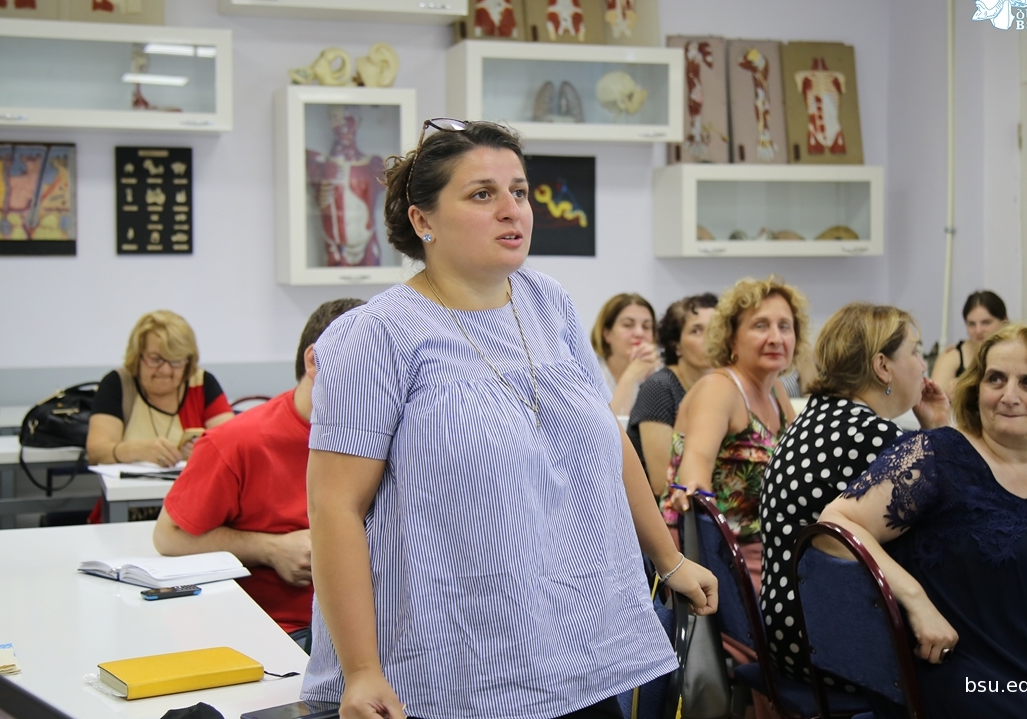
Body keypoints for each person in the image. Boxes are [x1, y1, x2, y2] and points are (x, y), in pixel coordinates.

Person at [301, 119, 718, 719]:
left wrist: (668, 559)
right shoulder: (376, 335)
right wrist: (363, 671)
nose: (511, 210)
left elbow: (607, 443)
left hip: (576, 649)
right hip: (450, 664)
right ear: (422, 221)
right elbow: (334, 509)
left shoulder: (549, 304)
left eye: (518, 192)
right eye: (482, 194)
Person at [819, 323, 1027, 717]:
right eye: (995, 379)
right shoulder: (936, 457)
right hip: (976, 674)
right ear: (977, 388)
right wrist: (914, 598)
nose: (1009, 396)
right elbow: (835, 525)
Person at [759, 303, 951, 682]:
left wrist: (935, 430)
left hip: (788, 628)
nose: (923, 366)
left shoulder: (817, 417)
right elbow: (952, 528)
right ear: (883, 367)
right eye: (915, 352)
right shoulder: (876, 437)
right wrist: (942, 434)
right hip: (834, 642)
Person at [151, 298, 362, 641]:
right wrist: (270, 549)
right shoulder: (237, 442)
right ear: (315, 361)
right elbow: (169, 537)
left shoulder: (395, 439)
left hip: (375, 627)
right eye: (369, 366)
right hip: (286, 632)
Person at [663, 275, 807, 586]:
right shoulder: (719, 389)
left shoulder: (777, 391)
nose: (775, 337)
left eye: (785, 326)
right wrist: (692, 487)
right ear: (731, 339)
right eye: (760, 326)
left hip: (770, 550)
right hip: (720, 557)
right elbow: (695, 465)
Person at [86, 310, 234, 468]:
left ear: (189, 361)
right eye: (155, 359)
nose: (165, 370)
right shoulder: (118, 384)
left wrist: (204, 451)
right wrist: (136, 450)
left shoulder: (201, 384)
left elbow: (232, 443)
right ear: (137, 357)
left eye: (176, 361)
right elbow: (96, 452)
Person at [627, 292, 717, 495]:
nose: (710, 338)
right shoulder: (660, 387)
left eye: (715, 330)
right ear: (676, 345)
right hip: (662, 507)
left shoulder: (723, 387)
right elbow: (662, 483)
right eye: (696, 330)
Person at [590, 293, 660, 416]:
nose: (639, 333)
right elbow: (610, 426)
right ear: (607, 334)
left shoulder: (661, 375)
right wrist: (631, 375)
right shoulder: (587, 374)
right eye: (628, 325)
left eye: (646, 327)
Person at [931, 290, 1007, 398]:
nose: (978, 330)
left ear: (1004, 322)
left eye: (986, 322)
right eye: (971, 324)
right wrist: (950, 395)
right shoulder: (953, 355)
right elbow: (933, 399)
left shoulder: (1017, 353)